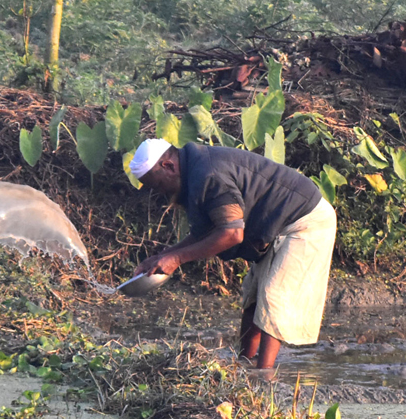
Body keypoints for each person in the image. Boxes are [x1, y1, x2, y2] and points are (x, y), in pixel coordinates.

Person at [131, 138, 337, 369]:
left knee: (274, 297)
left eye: (157, 185)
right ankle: (244, 363)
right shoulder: (195, 170)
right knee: (253, 296)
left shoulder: (208, 174)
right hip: (277, 225)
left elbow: (232, 234)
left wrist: (176, 259)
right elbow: (206, 232)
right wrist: (161, 257)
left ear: (168, 166)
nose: (160, 192)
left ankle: (263, 375)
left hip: (304, 220)